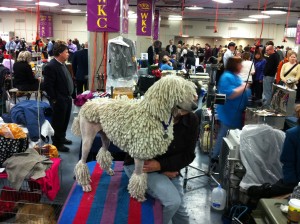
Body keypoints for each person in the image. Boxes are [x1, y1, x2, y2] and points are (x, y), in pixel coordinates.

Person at [124, 110, 199, 224]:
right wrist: (162, 169)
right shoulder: (151, 114)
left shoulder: (191, 119)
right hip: (141, 165)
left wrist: (161, 166)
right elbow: (138, 151)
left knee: (182, 216)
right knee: (173, 202)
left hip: (166, 167)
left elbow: (188, 155)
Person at [248, 105, 300, 198]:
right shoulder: (293, 135)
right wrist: (294, 187)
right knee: (254, 192)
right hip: (293, 183)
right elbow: (288, 163)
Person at [211, 57, 251, 163]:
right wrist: (244, 86)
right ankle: (215, 157)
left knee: (229, 135)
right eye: (240, 64)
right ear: (234, 65)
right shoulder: (227, 77)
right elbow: (230, 94)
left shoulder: (235, 76)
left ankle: (222, 156)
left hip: (236, 112)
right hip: (229, 112)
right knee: (224, 135)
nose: (242, 66)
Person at [43, 42, 74, 152]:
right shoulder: (51, 66)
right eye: (66, 52)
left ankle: (62, 138)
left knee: (65, 120)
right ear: (60, 53)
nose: (68, 54)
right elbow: (48, 86)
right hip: (59, 99)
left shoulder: (62, 64)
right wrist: (55, 99)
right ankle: (57, 143)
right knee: (58, 122)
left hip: (67, 98)